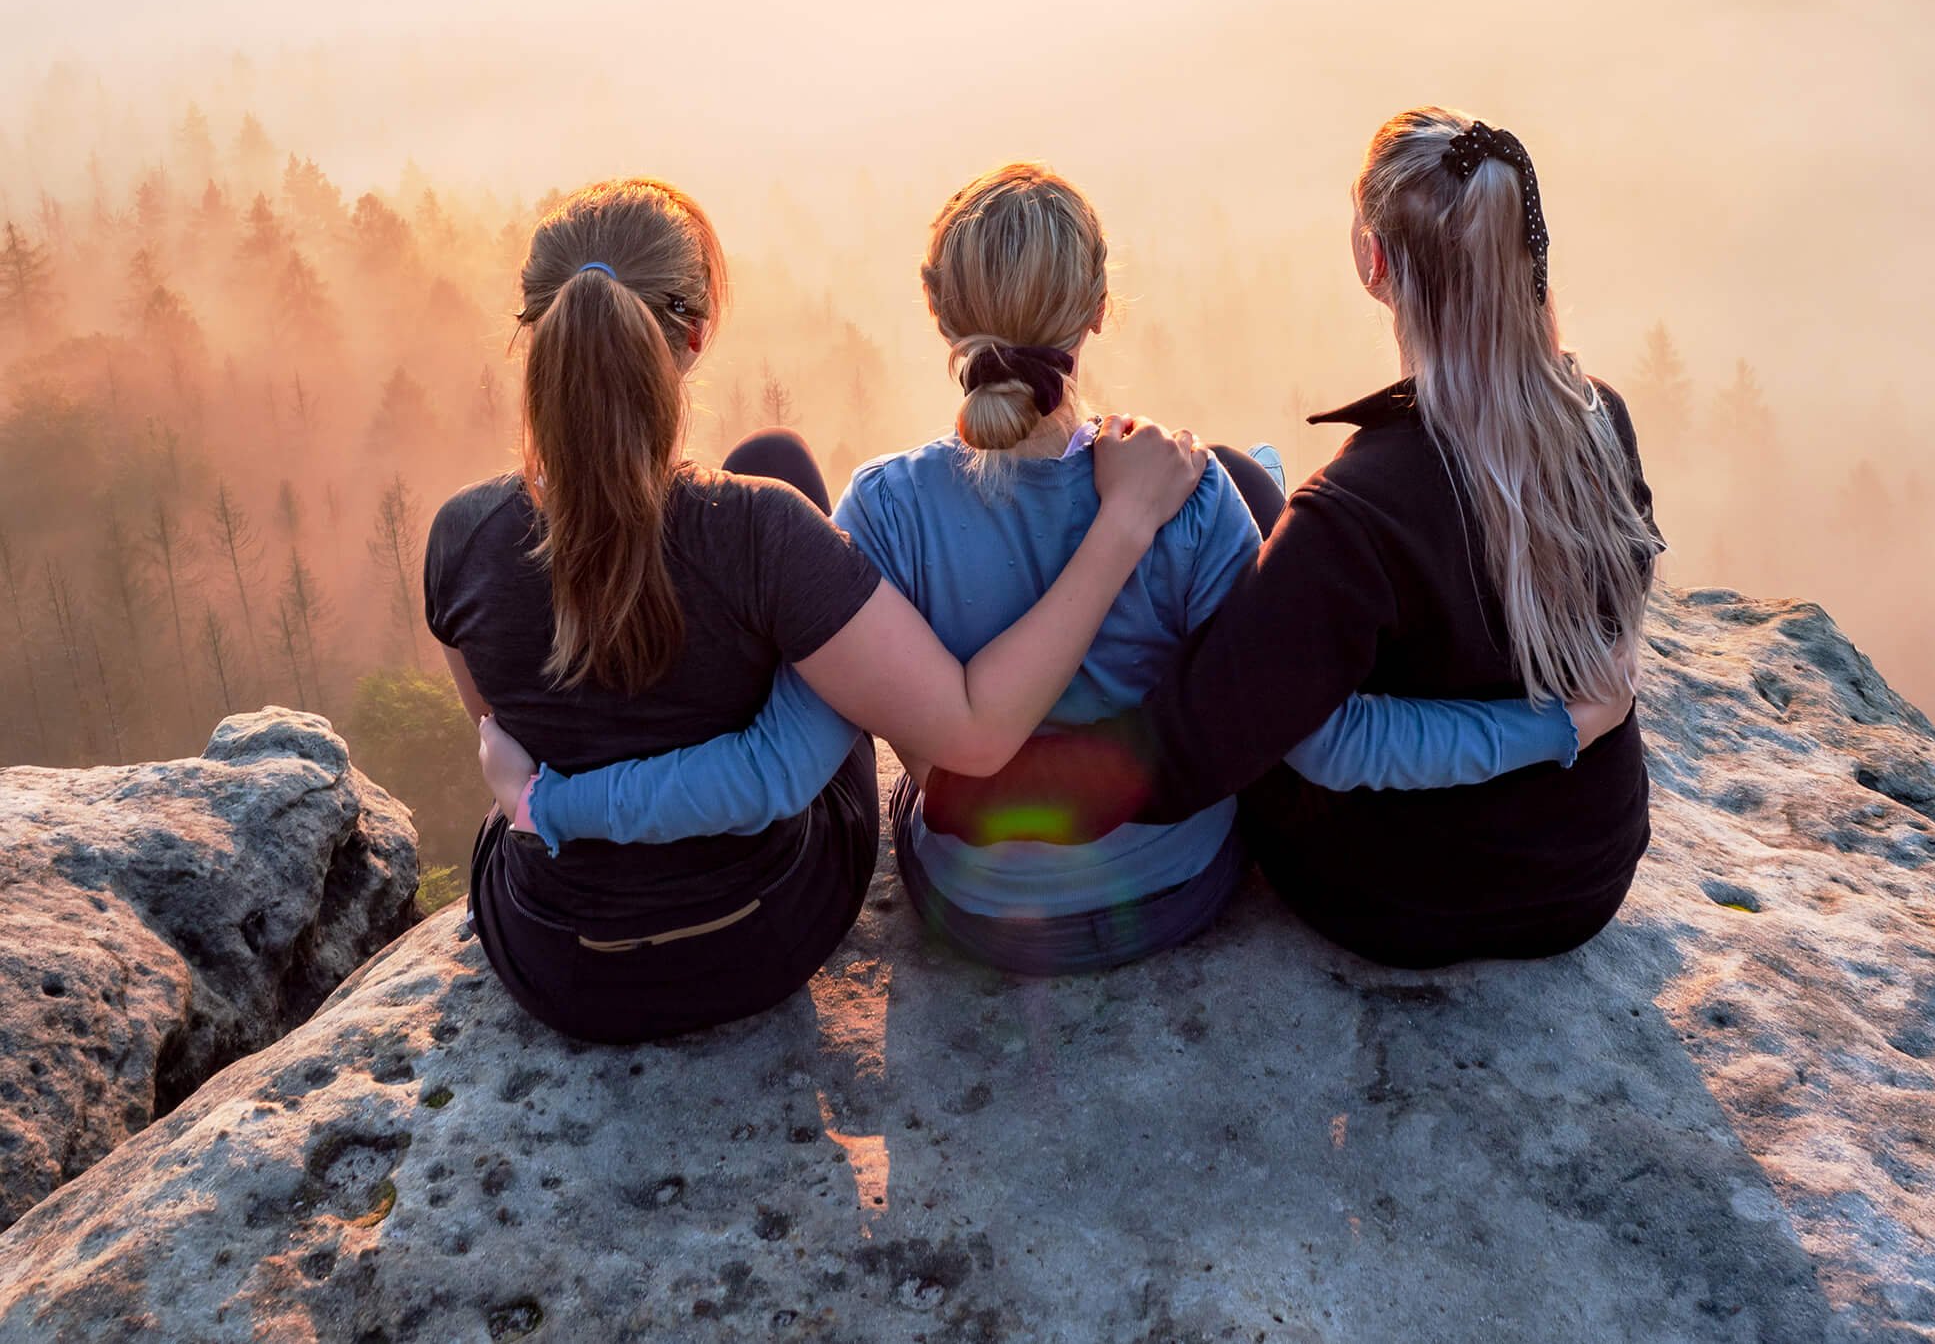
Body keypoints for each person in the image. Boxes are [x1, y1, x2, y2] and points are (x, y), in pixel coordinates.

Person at [479, 163, 1622, 978]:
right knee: (1240, 471)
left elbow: (792, 758)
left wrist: (554, 797)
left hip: (974, 908)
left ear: (938, 313)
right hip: (1172, 893)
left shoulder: (881, 508)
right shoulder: (1180, 499)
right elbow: (1257, 714)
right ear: (1096, 311)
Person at [423, 174, 1207, 1043]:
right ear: (694, 335)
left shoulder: (460, 537)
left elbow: (508, 733)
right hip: (757, 933)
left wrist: (545, 805)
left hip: (558, 961)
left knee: (772, 483)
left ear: (533, 333)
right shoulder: (762, 529)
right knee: (780, 482)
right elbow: (834, 758)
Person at [918, 114, 1664, 969]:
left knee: (1247, 509)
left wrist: (978, 796)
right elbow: (1612, 620)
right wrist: (1567, 724)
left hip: (1399, 896)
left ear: (1374, 264)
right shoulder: (1599, 415)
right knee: (1246, 485)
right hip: (1590, 874)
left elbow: (1218, 746)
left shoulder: (1353, 512)